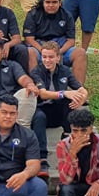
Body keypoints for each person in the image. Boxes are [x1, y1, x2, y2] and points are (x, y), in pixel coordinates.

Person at [30, 42, 88, 178]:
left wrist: (82, 97)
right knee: (39, 117)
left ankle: (68, 142)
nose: (47, 60)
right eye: (44, 57)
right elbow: (43, 94)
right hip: (41, 109)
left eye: (50, 57)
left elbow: (81, 89)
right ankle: (42, 159)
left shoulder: (64, 71)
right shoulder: (36, 72)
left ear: (58, 57)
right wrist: (64, 93)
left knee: (70, 103)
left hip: (57, 111)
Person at [23, 0, 87, 84]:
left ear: (60, 3)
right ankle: (37, 87)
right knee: (29, 52)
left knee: (80, 52)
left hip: (60, 48)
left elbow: (71, 41)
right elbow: (29, 39)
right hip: (39, 48)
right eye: (48, 2)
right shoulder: (33, 14)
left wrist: (57, 53)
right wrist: (44, 52)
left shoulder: (67, 15)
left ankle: (78, 90)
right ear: (43, 2)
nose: (51, 5)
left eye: (54, 2)